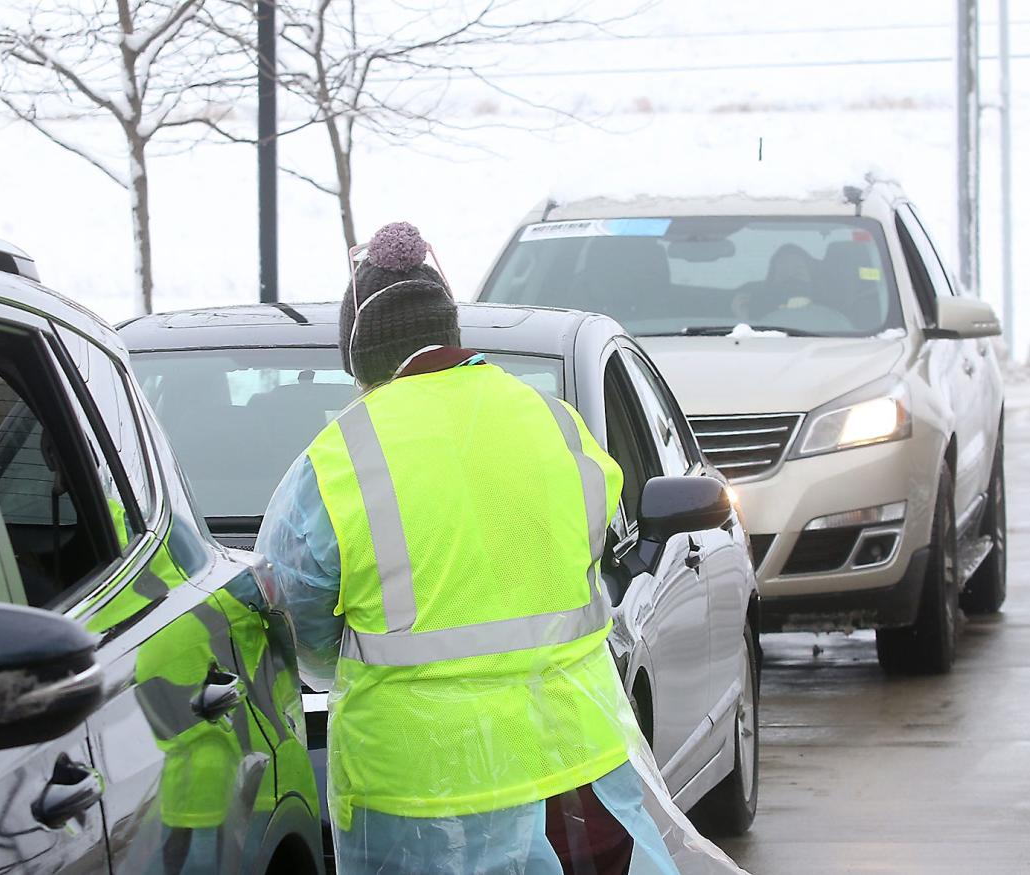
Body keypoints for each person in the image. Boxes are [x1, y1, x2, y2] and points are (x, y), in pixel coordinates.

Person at [257, 223, 742, 874]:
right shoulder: (555, 426)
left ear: (363, 356)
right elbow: (583, 550)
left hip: (411, 793)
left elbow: (293, 619)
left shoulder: (339, 459)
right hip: (568, 773)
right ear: (451, 332)